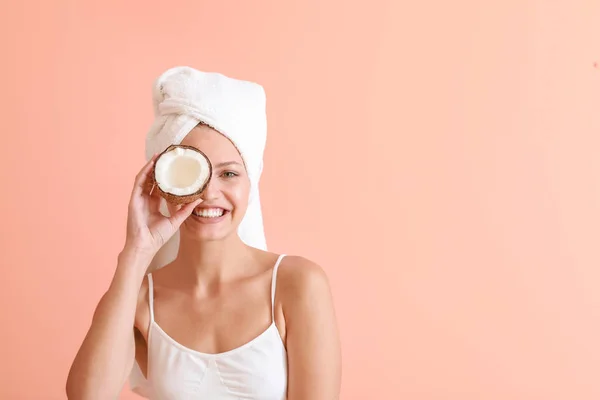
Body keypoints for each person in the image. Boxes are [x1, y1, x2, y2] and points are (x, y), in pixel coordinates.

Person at [66, 67, 341, 399]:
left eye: (228, 174)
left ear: (250, 183)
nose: (209, 194)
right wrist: (136, 251)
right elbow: (87, 396)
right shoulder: (138, 300)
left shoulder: (298, 285)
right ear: (161, 181)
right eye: (191, 173)